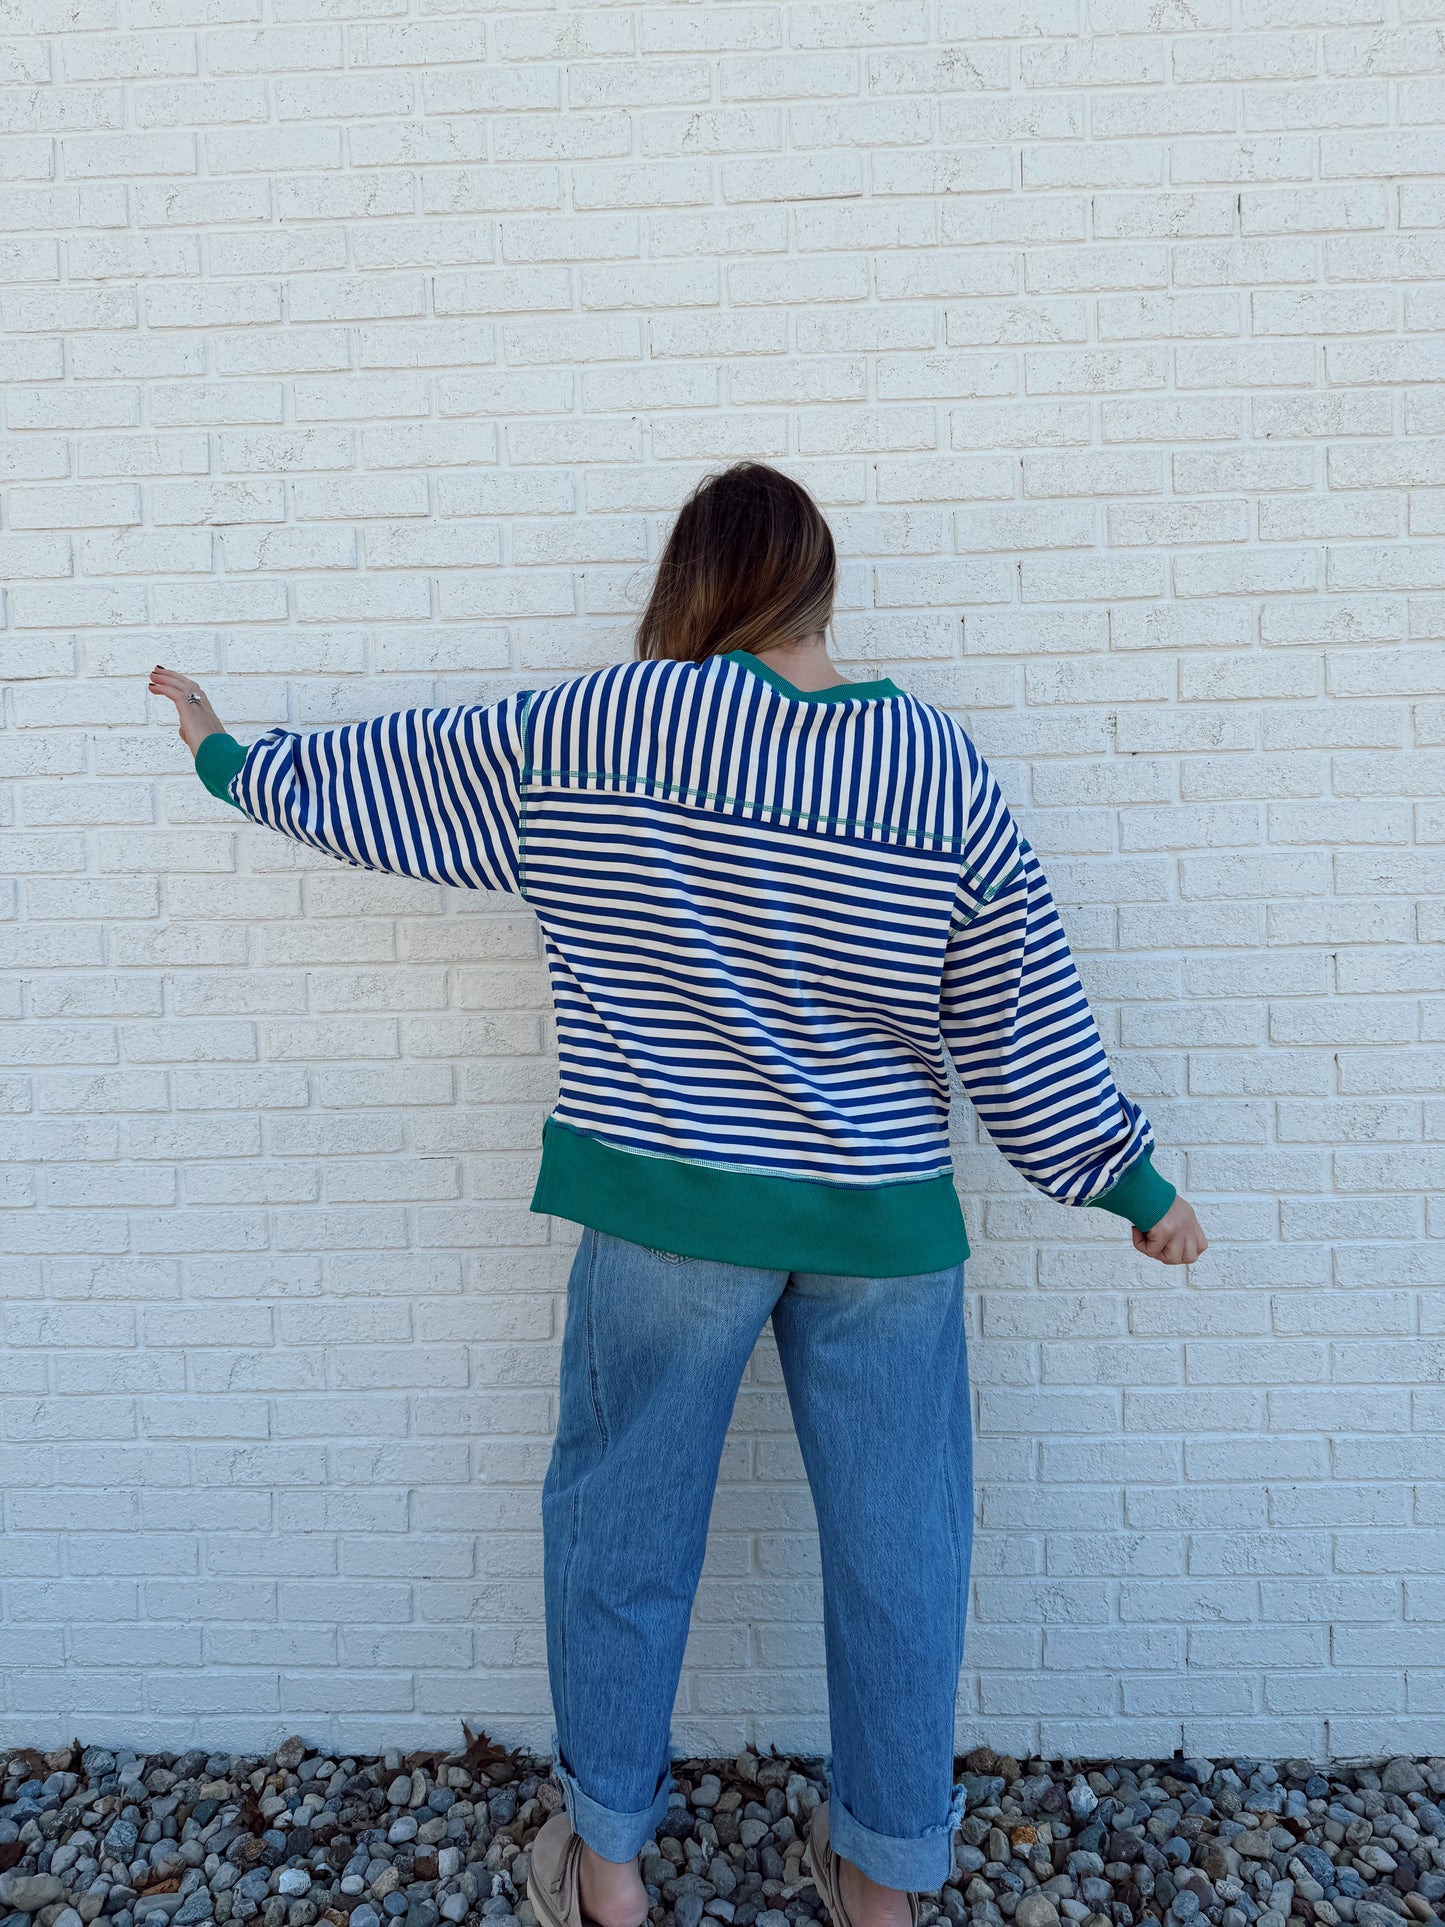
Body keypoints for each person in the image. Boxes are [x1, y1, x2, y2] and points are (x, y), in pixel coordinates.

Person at [150, 462, 1206, 1927]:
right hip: (881, 1235)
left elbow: (399, 780)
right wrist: (1126, 1180)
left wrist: (231, 759)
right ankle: (883, 1888)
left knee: (621, 1540)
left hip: (664, 1218)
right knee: (902, 1556)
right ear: (820, 591)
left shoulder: (600, 729)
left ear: (692, 583)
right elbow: (1014, 1004)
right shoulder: (938, 771)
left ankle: (609, 1876)